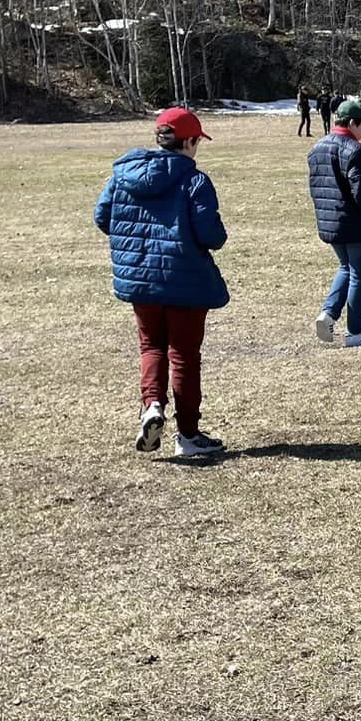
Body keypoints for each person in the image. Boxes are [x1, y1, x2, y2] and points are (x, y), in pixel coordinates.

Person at [94, 107, 230, 459]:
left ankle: (152, 405)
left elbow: (103, 216)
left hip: (139, 278)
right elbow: (210, 234)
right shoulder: (194, 181)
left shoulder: (124, 175)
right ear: (188, 142)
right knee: (183, 354)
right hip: (185, 278)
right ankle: (188, 435)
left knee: (151, 345)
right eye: (197, 141)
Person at [307, 97, 361, 348]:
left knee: (346, 268)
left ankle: (328, 314)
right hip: (357, 224)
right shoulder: (355, 150)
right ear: (352, 123)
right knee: (360, 276)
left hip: (330, 222)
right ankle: (356, 331)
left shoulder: (317, 147)